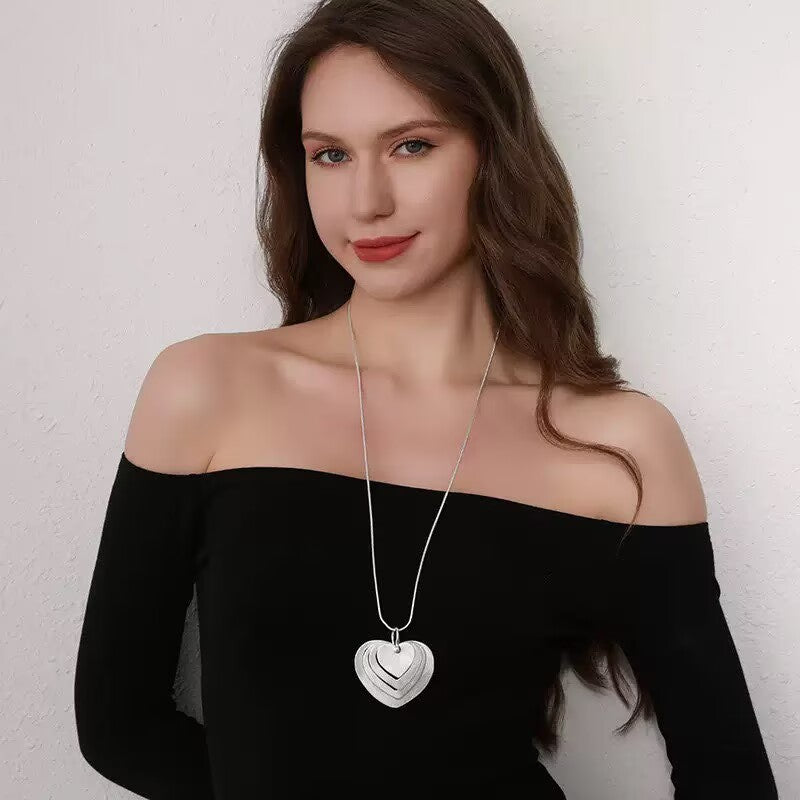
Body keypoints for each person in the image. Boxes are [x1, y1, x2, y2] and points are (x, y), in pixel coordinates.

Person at [73, 0, 779, 797]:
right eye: (330, 155)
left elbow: (729, 780)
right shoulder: (206, 389)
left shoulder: (620, 443)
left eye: (412, 145)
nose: (366, 200)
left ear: (494, 152)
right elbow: (119, 726)